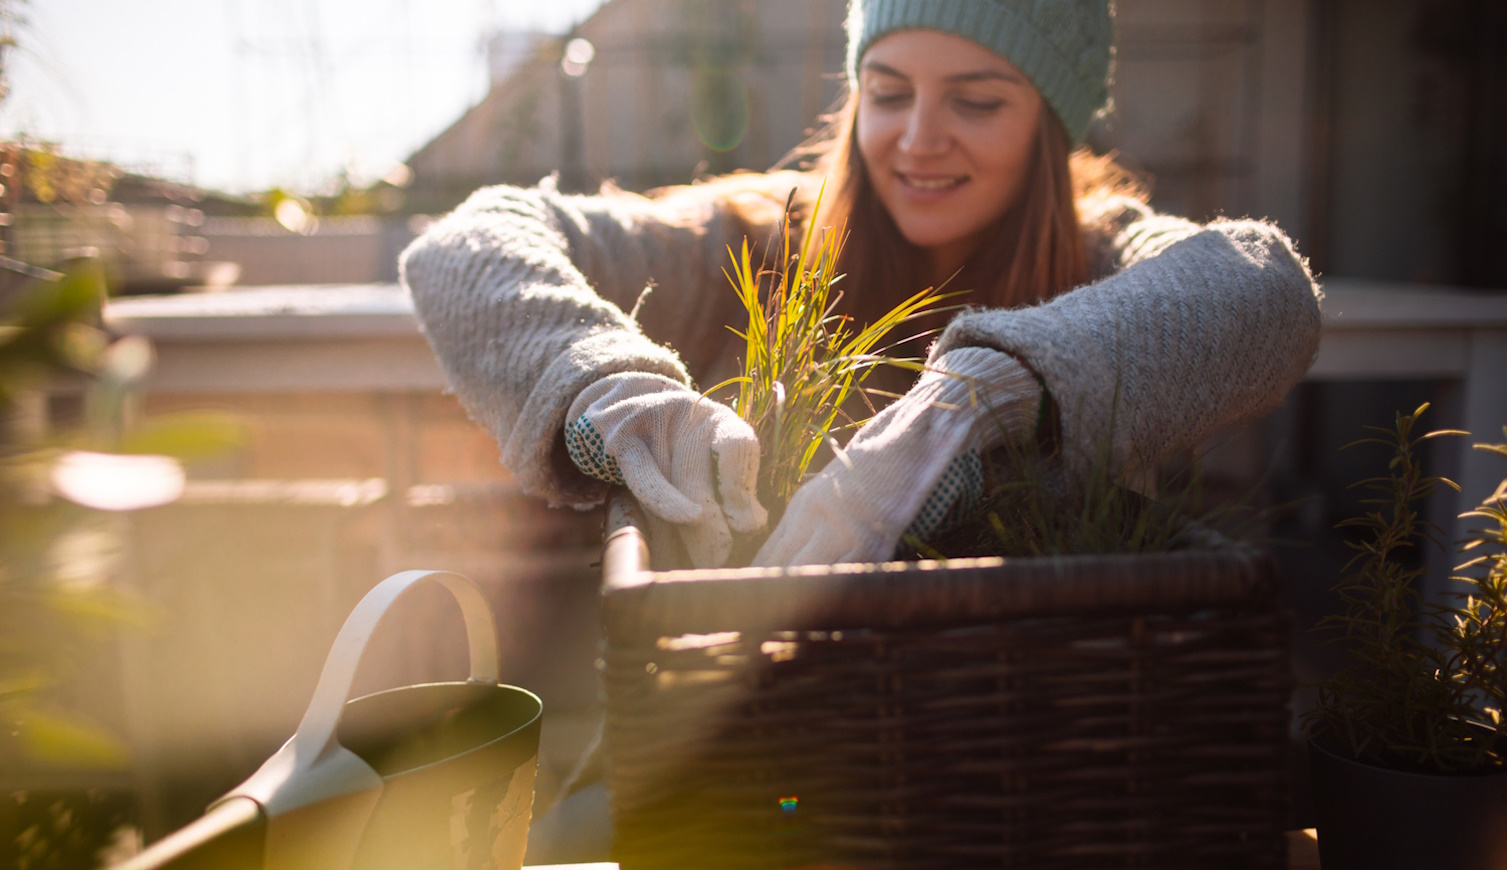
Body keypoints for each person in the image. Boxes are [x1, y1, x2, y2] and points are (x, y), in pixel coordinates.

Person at [401, 0, 1321, 858]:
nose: (919, 140)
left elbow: (1264, 283)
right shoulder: (758, 238)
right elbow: (467, 245)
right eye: (887, 94)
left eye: (975, 100)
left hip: (1033, 774)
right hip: (729, 764)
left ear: (1049, 121)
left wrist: (973, 405)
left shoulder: (1100, 255)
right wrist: (619, 393)